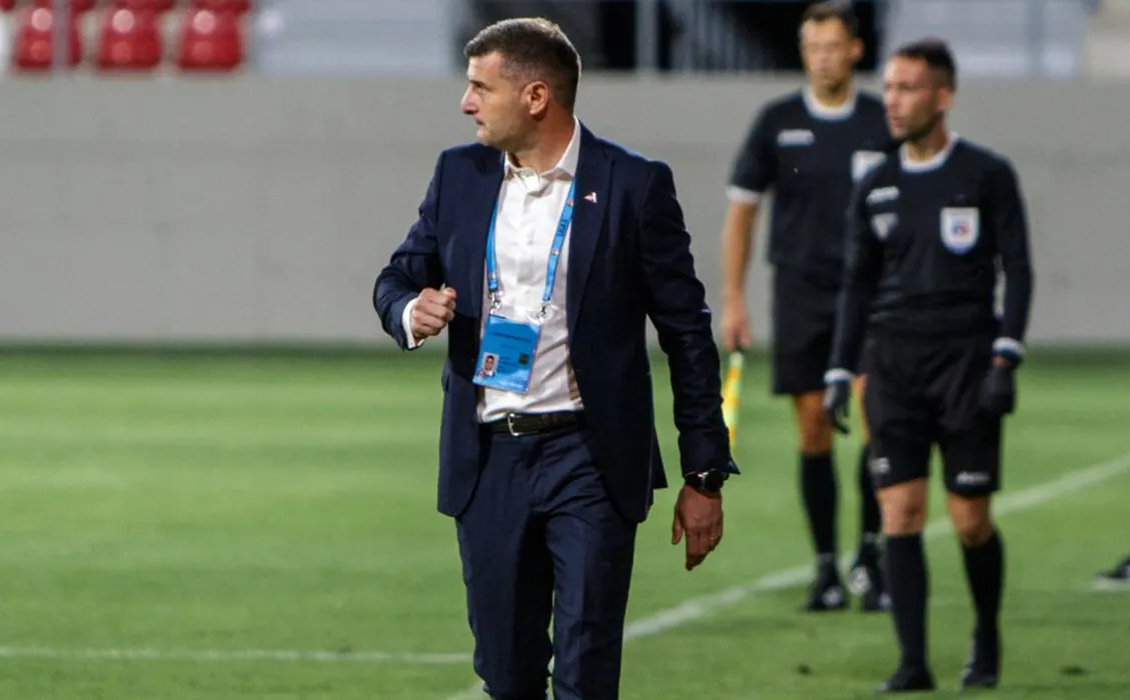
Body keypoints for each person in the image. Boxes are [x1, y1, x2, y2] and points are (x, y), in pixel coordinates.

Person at [371, 18, 740, 700]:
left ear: (536, 96)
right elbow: (397, 277)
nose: (465, 103)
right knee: (507, 676)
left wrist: (704, 472)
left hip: (590, 458)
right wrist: (408, 311)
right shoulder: (459, 174)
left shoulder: (633, 185)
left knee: (585, 669)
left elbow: (686, 333)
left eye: (481, 87)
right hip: (489, 459)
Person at [823, 38, 1034, 693]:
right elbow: (857, 284)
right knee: (900, 513)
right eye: (888, 87)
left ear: (943, 97)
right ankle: (912, 663)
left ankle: (986, 635)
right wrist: (839, 369)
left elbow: (1018, 269)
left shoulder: (986, 173)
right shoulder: (875, 184)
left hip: (966, 364)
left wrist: (1006, 354)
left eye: (907, 88)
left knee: (970, 520)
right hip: (891, 365)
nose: (891, 101)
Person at [718, 0, 894, 613]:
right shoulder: (777, 121)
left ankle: (870, 558)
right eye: (812, 48)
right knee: (814, 427)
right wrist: (734, 299)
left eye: (832, 47)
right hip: (801, 294)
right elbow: (742, 212)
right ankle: (826, 569)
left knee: (876, 421)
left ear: (855, 51)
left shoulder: (882, 120)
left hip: (871, 295)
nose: (822, 58)